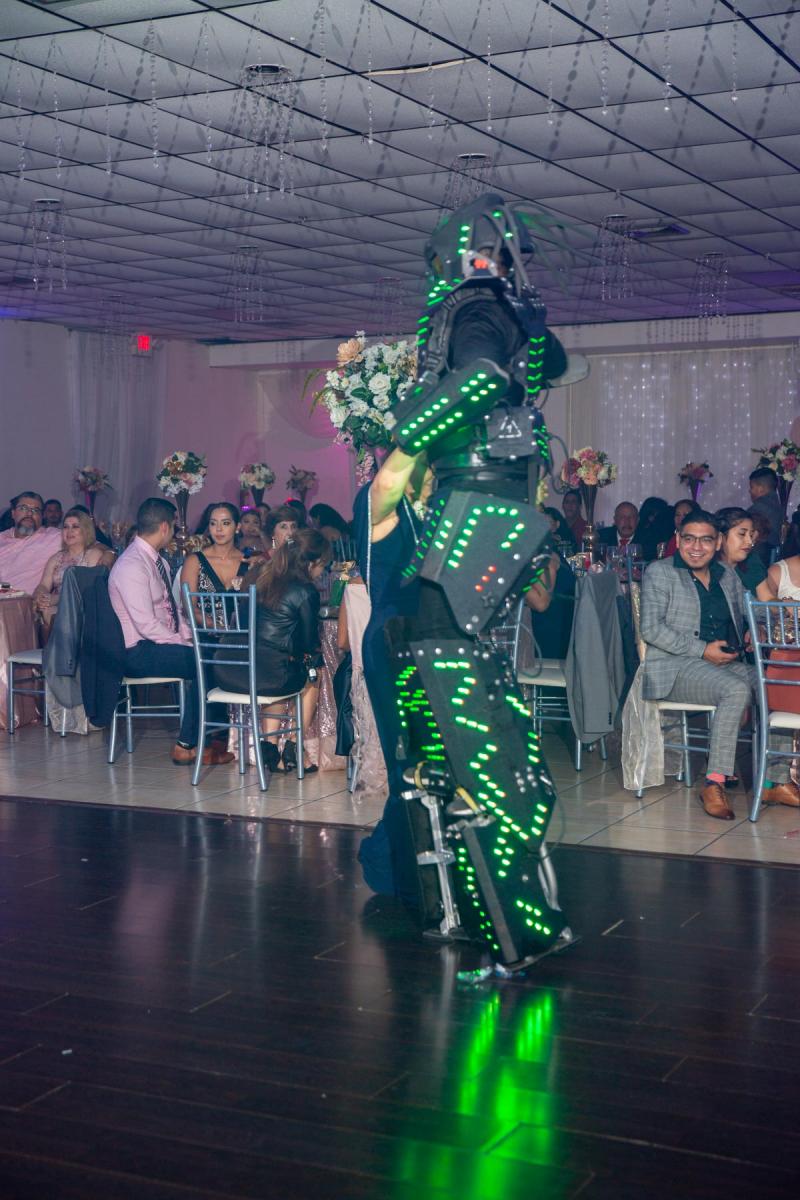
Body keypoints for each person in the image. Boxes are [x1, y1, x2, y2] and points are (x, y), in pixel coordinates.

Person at [640, 509, 799, 819]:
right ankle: (714, 783)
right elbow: (651, 629)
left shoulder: (725, 574)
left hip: (719, 664)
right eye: (689, 539)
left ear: (717, 543)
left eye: (705, 540)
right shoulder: (660, 572)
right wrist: (702, 650)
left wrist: (759, 625)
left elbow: (749, 609)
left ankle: (775, 781)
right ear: (678, 540)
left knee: (772, 684)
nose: (696, 547)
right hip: (673, 666)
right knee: (735, 690)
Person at [352, 447, 433, 904]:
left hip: (430, 642)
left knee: (432, 762)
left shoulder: (430, 509)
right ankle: (389, 864)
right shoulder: (380, 501)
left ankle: (411, 863)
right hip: (392, 642)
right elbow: (386, 483)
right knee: (409, 763)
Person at [108, 497, 234, 767]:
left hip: (156, 644)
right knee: (206, 661)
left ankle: (215, 739)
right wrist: (186, 643)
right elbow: (147, 626)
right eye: (174, 527)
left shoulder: (157, 562)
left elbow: (173, 612)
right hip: (136, 651)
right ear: (165, 527)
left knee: (216, 655)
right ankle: (187, 745)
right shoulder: (132, 564)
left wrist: (189, 635)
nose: (176, 532)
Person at [214, 529, 331, 775]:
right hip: (266, 675)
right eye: (323, 565)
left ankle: (270, 748)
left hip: (228, 668)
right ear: (312, 563)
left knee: (277, 667)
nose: (323, 571)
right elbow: (308, 644)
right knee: (314, 672)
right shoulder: (305, 590)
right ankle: (295, 746)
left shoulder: (259, 576)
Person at [33, 507, 115, 631]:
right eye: (65, 527)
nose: (69, 531)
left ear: (86, 530)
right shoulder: (56, 558)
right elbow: (44, 585)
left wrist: (55, 599)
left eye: (75, 527)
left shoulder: (93, 555)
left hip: (84, 609)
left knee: (52, 613)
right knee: (41, 611)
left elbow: (88, 591)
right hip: (57, 608)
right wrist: (40, 595)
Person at [181, 503, 248, 615]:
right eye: (213, 523)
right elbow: (188, 608)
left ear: (237, 527)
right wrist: (213, 624)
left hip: (244, 626)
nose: (218, 529)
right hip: (203, 626)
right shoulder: (194, 561)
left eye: (225, 523)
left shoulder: (248, 562)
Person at [0, 492, 61, 594]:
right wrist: (7, 590)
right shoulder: (2, 538)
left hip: (29, 601)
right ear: (13, 513)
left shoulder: (53, 537)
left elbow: (85, 541)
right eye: (23, 508)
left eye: (35, 510)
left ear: (42, 516)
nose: (29, 514)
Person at [716, 507, 772, 599]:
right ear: (720, 537)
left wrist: (784, 603)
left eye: (751, 535)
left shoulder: (751, 560)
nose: (750, 541)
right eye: (742, 534)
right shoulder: (708, 568)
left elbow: (767, 599)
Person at [749, 467, 783, 563]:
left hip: (758, 558)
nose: (749, 491)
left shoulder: (759, 508)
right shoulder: (777, 505)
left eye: (752, 487)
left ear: (760, 489)